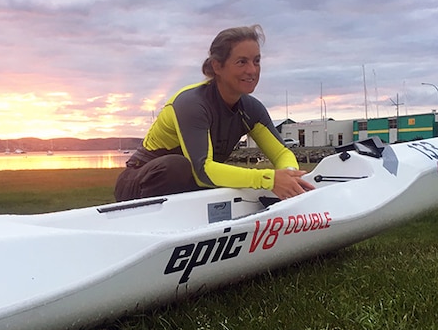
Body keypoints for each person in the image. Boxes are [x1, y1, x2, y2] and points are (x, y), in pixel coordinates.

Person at [114, 24, 313, 202]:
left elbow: (281, 152)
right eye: (242, 62)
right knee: (178, 166)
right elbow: (203, 171)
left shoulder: (252, 109)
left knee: (207, 175)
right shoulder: (191, 103)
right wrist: (268, 180)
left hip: (188, 186)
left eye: (257, 61)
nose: (252, 70)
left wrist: (289, 175)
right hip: (138, 181)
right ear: (217, 66)